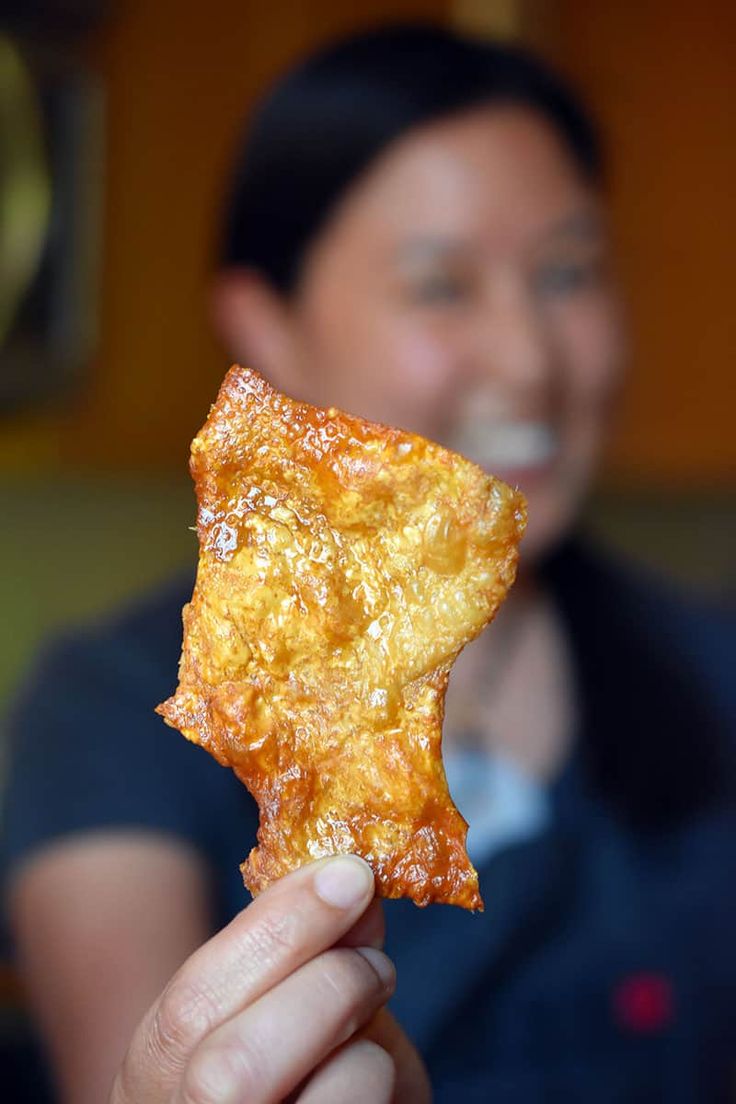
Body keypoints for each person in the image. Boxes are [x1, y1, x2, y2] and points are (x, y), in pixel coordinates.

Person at [3, 24, 736, 1104]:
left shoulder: (715, 668)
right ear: (266, 329)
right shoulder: (115, 711)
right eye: (441, 286)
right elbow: (125, 1060)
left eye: (568, 272)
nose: (530, 358)